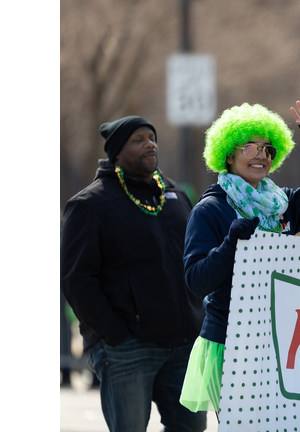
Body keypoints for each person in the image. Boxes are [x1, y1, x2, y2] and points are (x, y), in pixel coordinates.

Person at [179, 101, 300, 414]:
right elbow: (196, 281)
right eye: (250, 148)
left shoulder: (282, 204)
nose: (261, 156)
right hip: (232, 340)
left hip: (284, 338)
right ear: (228, 154)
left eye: (268, 149)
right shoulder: (210, 210)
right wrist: (231, 244)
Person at [60, 116, 206, 432]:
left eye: (151, 138)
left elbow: (194, 258)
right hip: (127, 347)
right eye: (138, 139)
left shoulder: (175, 195)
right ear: (116, 153)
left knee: (192, 427)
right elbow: (76, 278)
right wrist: (114, 334)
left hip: (183, 343)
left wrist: (197, 318)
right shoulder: (89, 204)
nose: (150, 144)